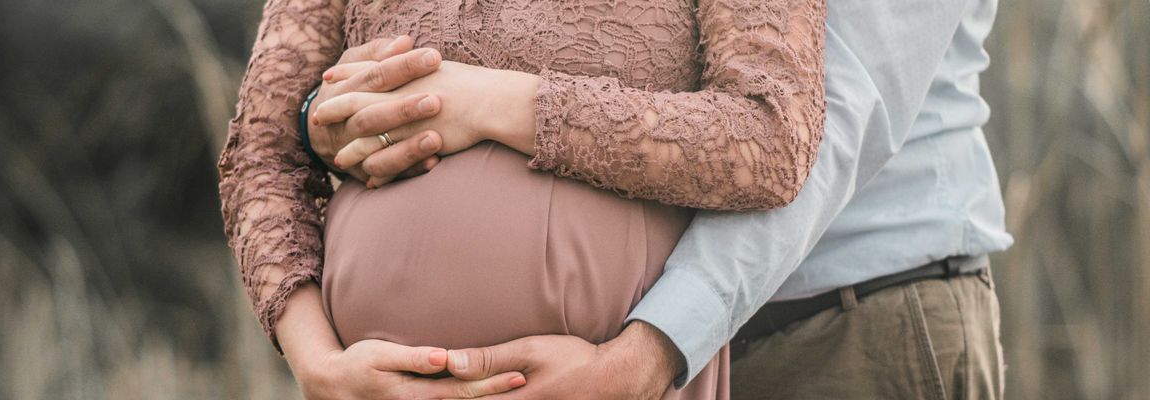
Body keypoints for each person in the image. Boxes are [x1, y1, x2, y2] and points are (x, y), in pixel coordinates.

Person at [297, 0, 1012, 398]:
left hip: (846, 324)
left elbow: (829, 121)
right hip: (659, 333)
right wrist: (337, 117)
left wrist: (654, 349)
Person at [218, 0, 826, 399]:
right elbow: (260, 150)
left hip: (600, 379)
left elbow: (770, 138)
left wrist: (498, 104)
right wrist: (317, 362)